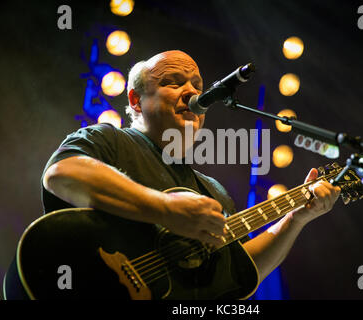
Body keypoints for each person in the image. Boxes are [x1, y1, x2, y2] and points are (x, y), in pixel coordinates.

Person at [41, 50, 341, 297]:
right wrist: (165, 208)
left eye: (198, 86)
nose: (193, 93)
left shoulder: (211, 190)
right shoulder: (110, 139)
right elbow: (62, 173)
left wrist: (295, 218)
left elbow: (240, 269)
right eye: (174, 82)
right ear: (135, 100)